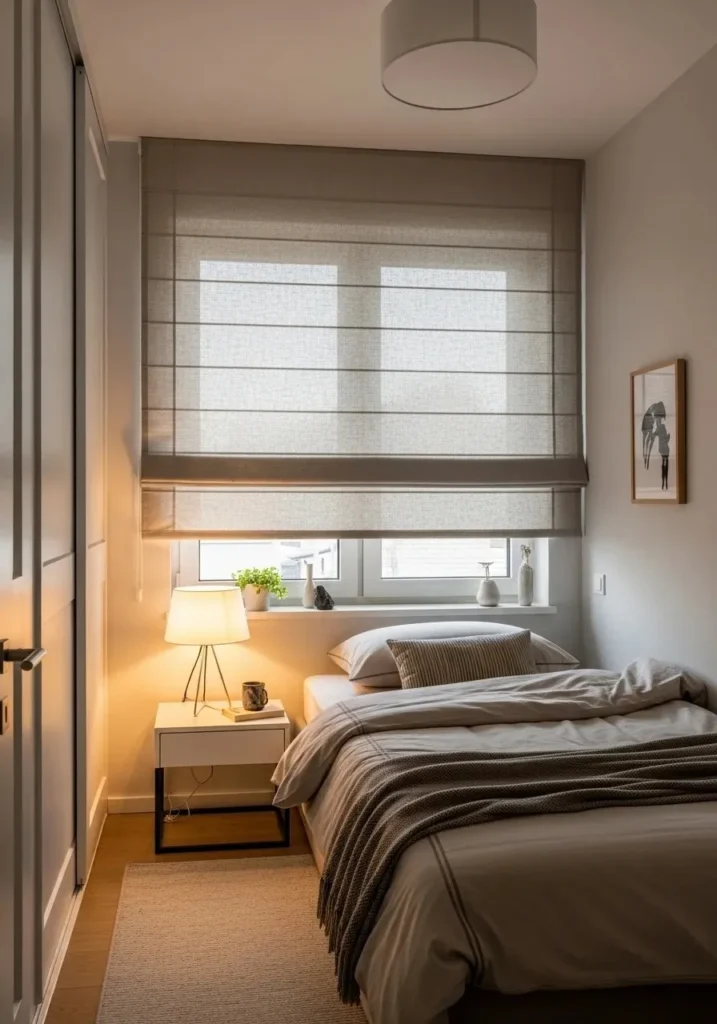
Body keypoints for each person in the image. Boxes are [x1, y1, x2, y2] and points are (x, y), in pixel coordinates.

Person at [653, 414, 671, 491]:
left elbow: (655, 434)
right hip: (664, 448)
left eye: (658, 420)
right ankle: (664, 484)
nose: (657, 421)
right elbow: (666, 437)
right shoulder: (661, 427)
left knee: (664, 465)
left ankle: (664, 484)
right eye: (657, 420)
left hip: (664, 448)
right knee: (664, 465)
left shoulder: (660, 427)